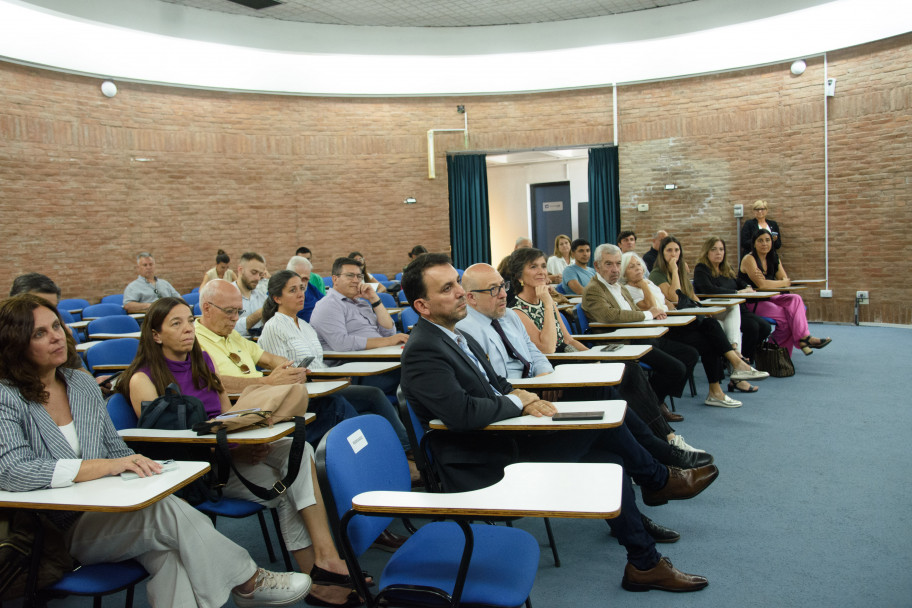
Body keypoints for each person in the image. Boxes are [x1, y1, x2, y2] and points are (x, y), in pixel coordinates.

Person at [399, 253, 717, 593]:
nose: (460, 292)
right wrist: (518, 400)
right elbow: (463, 414)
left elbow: (500, 384)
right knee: (601, 421)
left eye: (458, 283)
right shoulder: (424, 350)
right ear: (422, 305)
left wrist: (526, 397)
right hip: (481, 459)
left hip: (502, 435)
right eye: (447, 288)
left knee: (607, 457)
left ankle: (645, 561)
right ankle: (658, 479)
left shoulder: (455, 335)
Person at [0, 294, 311, 608]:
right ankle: (249, 580)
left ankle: (245, 584)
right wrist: (104, 467)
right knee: (164, 513)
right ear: (16, 343)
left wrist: (136, 465)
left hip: (111, 508)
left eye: (56, 326)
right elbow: (13, 471)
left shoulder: (79, 384)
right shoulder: (7, 397)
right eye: (40, 333)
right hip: (56, 529)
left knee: (171, 556)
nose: (56, 336)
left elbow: (113, 446)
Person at [118, 297, 367, 607]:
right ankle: (317, 574)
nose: (187, 329)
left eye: (189, 321)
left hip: (227, 458)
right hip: (196, 474)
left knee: (295, 449)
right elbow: (162, 446)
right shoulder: (143, 378)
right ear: (155, 335)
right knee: (289, 484)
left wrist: (245, 436)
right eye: (176, 323)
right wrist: (232, 449)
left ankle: (324, 562)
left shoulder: (203, 362)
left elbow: (225, 414)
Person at [195, 280, 407, 552]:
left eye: (239, 311)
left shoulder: (232, 336)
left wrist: (287, 368)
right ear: (207, 308)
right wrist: (269, 383)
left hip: (273, 412)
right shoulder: (195, 342)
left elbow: (268, 359)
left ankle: (371, 488)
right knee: (338, 422)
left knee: (342, 409)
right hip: (248, 423)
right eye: (230, 312)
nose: (236, 318)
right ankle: (373, 490)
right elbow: (213, 382)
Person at [462, 262, 710, 467]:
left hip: (547, 378)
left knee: (623, 376)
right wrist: (535, 390)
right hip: (524, 397)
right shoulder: (469, 330)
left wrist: (547, 376)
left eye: (502, 287)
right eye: (494, 290)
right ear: (471, 298)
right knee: (604, 395)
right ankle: (661, 456)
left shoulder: (508, 316)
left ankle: (660, 451)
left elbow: (536, 355)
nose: (504, 294)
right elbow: (502, 377)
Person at [258, 271, 410, 451]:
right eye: (292, 290)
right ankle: (373, 454)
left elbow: (318, 365)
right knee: (341, 404)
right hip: (304, 398)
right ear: (277, 298)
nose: (301, 294)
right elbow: (283, 378)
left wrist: (332, 379)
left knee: (373, 394)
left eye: (302, 288)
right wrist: (326, 381)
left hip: (323, 388)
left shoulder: (305, 326)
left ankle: (405, 447)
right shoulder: (274, 327)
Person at [630, 239, 769, 406]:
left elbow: (688, 296)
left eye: (676, 250)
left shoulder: (667, 275)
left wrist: (702, 309)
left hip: (681, 320)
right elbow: (674, 297)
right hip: (670, 327)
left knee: (712, 334)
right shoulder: (657, 274)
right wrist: (674, 271)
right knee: (713, 331)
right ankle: (735, 363)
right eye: (669, 251)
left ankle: (719, 387)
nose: (674, 254)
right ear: (662, 253)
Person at [582, 245, 697, 412]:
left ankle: (654, 401)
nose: (615, 269)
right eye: (609, 264)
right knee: (676, 369)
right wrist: (648, 314)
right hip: (623, 342)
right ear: (597, 265)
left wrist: (651, 315)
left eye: (618, 264)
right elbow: (610, 316)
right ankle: (653, 406)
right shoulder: (593, 289)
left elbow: (633, 311)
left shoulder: (619, 287)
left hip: (640, 335)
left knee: (690, 354)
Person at [310, 257, 408, 399]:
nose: (356, 280)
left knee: (424, 370)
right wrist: (389, 341)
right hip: (358, 371)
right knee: (418, 374)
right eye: (350, 275)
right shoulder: (328, 305)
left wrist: (375, 300)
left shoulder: (361, 303)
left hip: (380, 362)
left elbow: (388, 332)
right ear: (335, 279)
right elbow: (342, 344)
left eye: (359, 276)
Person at [739, 229, 831, 356]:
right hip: (754, 302)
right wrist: (780, 283)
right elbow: (763, 284)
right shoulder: (749, 259)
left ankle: (803, 338)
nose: (764, 244)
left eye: (767, 240)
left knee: (796, 298)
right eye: (760, 241)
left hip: (771, 297)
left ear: (772, 242)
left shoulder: (774, 257)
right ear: (754, 244)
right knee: (788, 318)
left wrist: (779, 283)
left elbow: (784, 279)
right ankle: (774, 349)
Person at [693, 236, 773, 374]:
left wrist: (747, 286)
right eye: (714, 249)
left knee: (764, 326)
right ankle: (739, 359)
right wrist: (737, 292)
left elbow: (739, 281)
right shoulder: (701, 269)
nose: (719, 253)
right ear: (707, 252)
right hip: (713, 312)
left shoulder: (726, 267)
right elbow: (709, 289)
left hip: (733, 310)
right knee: (749, 325)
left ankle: (738, 358)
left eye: (721, 249)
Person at [233, 252, 269, 338]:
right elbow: (228, 327)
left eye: (260, 274)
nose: (257, 278)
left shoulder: (262, 297)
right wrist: (260, 313)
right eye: (254, 272)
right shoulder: (225, 295)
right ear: (240, 270)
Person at [287, 255, 324, 323]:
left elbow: (326, 303)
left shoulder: (311, 288)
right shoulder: (281, 292)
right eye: (302, 279)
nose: (304, 283)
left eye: (307, 279)